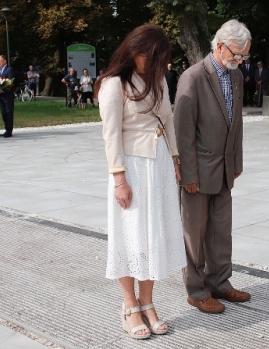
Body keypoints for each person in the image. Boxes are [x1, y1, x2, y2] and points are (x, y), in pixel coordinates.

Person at [96, 24, 185, 339]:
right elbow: (111, 135)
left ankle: (149, 303)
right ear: (135, 50)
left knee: (153, 235)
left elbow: (169, 120)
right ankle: (130, 305)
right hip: (131, 167)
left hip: (158, 164)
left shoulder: (158, 79)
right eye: (153, 56)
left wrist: (174, 159)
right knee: (130, 235)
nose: (156, 63)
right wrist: (119, 178)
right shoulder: (112, 84)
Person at [175, 19, 251, 314]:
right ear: (219, 46)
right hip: (198, 170)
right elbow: (183, 131)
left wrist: (237, 161)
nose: (240, 60)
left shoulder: (236, 76)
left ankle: (220, 282)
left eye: (244, 56)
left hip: (224, 167)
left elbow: (238, 124)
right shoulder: (192, 77)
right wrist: (188, 174)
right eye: (236, 54)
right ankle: (196, 291)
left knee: (221, 230)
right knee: (194, 234)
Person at [0, 55, 15, 137]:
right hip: (1, 96)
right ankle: (6, 128)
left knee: (8, 113)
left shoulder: (9, 69)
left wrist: (2, 89)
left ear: (5, 61)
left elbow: (10, 82)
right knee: (3, 113)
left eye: (0, 61)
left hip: (8, 95)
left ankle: (9, 130)